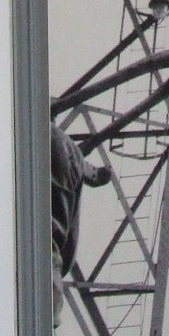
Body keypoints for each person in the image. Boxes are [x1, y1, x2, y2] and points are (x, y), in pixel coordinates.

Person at [51, 123, 112, 325]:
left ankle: (47, 314)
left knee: (48, 243)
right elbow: (98, 176)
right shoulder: (69, 149)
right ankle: (48, 316)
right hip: (66, 157)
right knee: (49, 243)